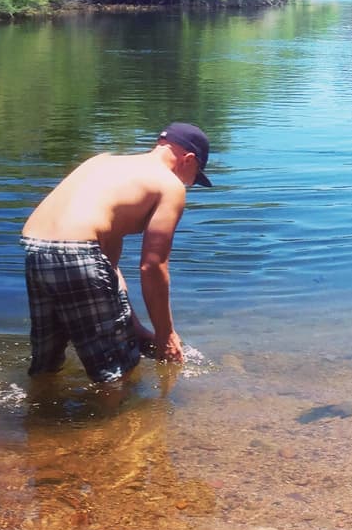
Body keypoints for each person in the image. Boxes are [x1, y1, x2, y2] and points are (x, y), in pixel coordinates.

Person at [20, 122, 213, 383]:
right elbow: (153, 267)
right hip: (78, 251)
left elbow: (107, 263)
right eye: (194, 177)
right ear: (188, 159)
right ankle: (110, 422)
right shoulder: (170, 184)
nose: (189, 185)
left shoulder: (102, 162)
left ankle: (37, 417)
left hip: (36, 246)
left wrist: (133, 325)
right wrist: (166, 334)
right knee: (118, 373)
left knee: (47, 363)